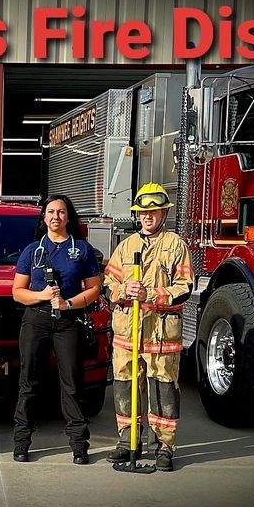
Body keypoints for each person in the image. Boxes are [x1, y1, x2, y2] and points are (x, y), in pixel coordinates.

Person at [103, 183, 193, 472]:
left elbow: (185, 288)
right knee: (125, 386)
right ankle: (128, 441)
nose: (147, 217)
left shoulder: (176, 245)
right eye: (143, 213)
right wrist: (122, 290)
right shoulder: (126, 246)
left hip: (161, 335)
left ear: (164, 212)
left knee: (162, 388)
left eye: (153, 212)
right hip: (127, 334)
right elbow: (108, 284)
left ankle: (164, 447)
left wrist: (151, 295)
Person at [11, 194, 103, 464]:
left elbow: (95, 289)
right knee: (28, 382)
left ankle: (78, 445)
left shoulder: (82, 249)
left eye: (61, 212)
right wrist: (41, 295)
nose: (55, 217)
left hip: (68, 320)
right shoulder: (32, 250)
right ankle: (21, 443)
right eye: (50, 212)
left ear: (68, 217)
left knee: (72, 383)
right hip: (36, 319)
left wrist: (68, 303)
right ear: (44, 217)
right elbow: (17, 292)